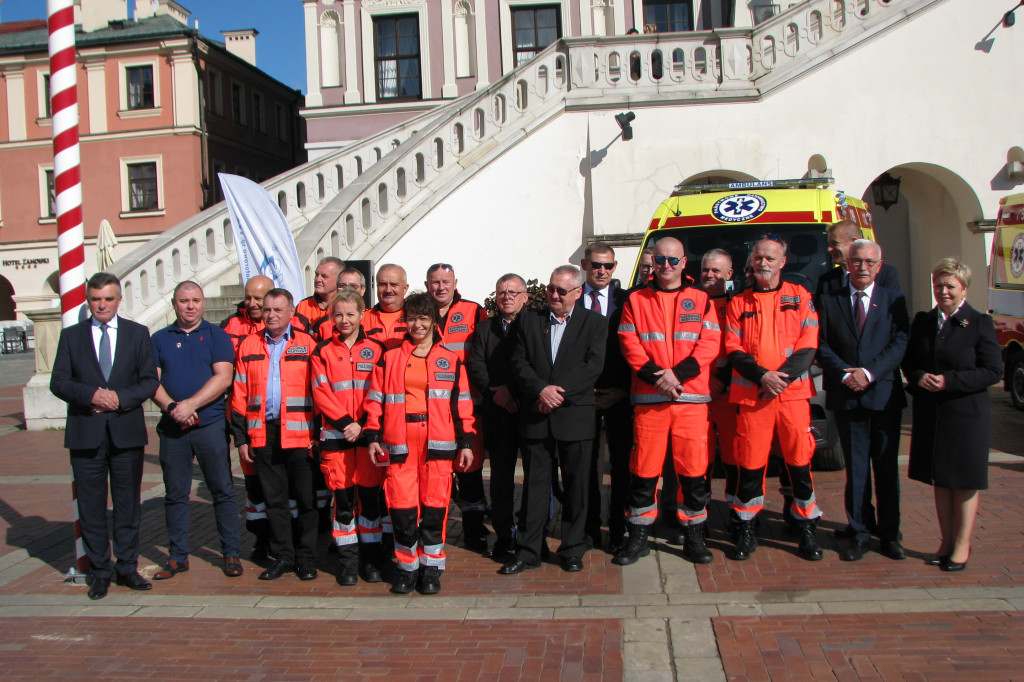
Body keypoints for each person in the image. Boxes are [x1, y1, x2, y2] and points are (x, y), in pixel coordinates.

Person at [50, 272, 159, 600]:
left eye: (108, 299)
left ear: (118, 300)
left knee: (127, 505)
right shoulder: (71, 337)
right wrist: (92, 395)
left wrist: (119, 399)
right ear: (88, 300)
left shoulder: (137, 334)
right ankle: (100, 570)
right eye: (96, 299)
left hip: (126, 432)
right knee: (92, 506)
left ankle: (127, 567)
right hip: (86, 433)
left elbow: (148, 381)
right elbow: (59, 381)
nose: (102, 304)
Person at [615, 238, 719, 565]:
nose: (666, 265)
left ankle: (694, 538)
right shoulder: (636, 299)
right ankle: (639, 537)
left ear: (684, 262)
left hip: (690, 399)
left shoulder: (701, 299)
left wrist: (677, 375)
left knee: (693, 474)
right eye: (660, 259)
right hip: (650, 399)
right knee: (643, 472)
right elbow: (629, 342)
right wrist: (659, 377)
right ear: (653, 261)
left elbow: (709, 343)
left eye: (673, 260)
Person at [363, 293, 476, 595]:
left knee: (435, 509)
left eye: (424, 317)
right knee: (401, 510)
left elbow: (461, 403)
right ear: (405, 320)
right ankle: (406, 568)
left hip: (438, 445)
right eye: (412, 317)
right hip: (399, 444)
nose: (418, 324)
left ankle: (431, 570)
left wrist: (466, 442)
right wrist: (373, 435)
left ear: (433, 320)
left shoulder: (450, 359)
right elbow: (375, 400)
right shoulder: (389, 357)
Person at [499, 265, 606, 575]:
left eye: (561, 290)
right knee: (534, 487)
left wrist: (558, 393)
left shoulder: (594, 323)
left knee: (577, 486)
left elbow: (593, 365)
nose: (554, 295)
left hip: (575, 414)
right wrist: (540, 391)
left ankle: (572, 548)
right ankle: (529, 550)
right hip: (537, 414)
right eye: (550, 289)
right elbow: (519, 362)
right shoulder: (529, 321)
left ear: (577, 292)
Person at [724, 235, 823, 562]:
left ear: (782, 262)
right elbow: (733, 349)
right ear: (752, 261)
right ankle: (747, 527)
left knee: (798, 462)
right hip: (754, 397)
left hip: (792, 396)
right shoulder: (740, 302)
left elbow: (808, 345)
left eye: (770, 258)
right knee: (750, 465)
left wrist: (778, 379)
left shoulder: (800, 296)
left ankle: (805, 525)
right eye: (759, 257)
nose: (763, 263)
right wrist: (762, 377)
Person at [902, 257, 1001, 572]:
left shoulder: (979, 323)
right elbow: (910, 361)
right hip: (933, 412)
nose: (942, 291)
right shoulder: (924, 321)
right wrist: (919, 377)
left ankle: (961, 545)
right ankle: (944, 541)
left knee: (964, 480)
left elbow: (992, 371)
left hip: (966, 414)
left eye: (949, 286)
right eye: (938, 285)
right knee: (941, 479)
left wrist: (951, 381)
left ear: (963, 289)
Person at [817, 240, 909, 561]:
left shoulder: (894, 300)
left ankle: (890, 533)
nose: (863, 267)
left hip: (883, 396)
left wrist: (869, 374)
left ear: (879, 266)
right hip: (847, 395)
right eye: (857, 261)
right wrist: (846, 374)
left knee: (886, 470)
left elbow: (899, 343)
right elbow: (822, 343)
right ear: (847, 264)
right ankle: (858, 532)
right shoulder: (830, 301)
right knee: (856, 471)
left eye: (870, 262)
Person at [151, 281, 242, 580]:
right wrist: (172, 408)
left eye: (195, 300)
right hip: (173, 427)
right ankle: (178, 557)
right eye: (183, 301)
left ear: (203, 303)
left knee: (222, 491)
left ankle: (230, 554)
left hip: (210, 425)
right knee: (175, 494)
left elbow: (224, 377)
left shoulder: (217, 335)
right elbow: (152, 381)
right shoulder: (160, 339)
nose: (190, 306)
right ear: (174, 304)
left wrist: (190, 405)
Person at [230, 288, 319, 581]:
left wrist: (317, 435)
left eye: (278, 310)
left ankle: (306, 558)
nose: (270, 315)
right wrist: (242, 439)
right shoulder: (248, 345)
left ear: (292, 312)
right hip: (263, 433)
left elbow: (319, 392)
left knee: (306, 500)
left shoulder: (308, 344)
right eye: (267, 310)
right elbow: (239, 394)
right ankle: (283, 556)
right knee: (275, 500)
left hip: (301, 433)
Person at [310, 289, 388, 585]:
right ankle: (346, 563)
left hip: (367, 438)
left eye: (350, 314)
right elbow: (321, 391)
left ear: (362, 314)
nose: (344, 320)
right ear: (331, 317)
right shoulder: (322, 351)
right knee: (342, 504)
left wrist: (364, 425)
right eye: (338, 314)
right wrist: (346, 423)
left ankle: (370, 561)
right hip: (336, 437)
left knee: (370, 503)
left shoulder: (377, 349)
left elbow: (379, 392)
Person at [425, 263, 490, 551]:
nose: (441, 287)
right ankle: (429, 531)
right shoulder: (419, 314)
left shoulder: (474, 311)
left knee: (470, 471)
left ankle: (474, 531)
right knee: (435, 472)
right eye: (435, 282)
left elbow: (485, 353)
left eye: (446, 281)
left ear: (455, 283)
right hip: (432, 410)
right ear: (427, 285)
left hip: (467, 409)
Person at [577, 242, 632, 553]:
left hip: (620, 394)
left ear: (614, 267)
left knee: (622, 466)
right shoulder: (571, 298)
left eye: (608, 266)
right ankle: (589, 529)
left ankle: (618, 529)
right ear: (585, 265)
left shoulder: (629, 301)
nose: (602, 271)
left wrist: (623, 389)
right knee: (585, 467)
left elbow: (636, 349)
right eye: (596, 265)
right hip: (583, 397)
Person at [469, 273, 529, 559]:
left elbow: (538, 363)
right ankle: (504, 536)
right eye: (502, 292)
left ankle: (531, 535)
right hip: (498, 413)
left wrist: (515, 394)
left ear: (525, 297)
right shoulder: (483, 329)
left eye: (513, 292)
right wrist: (498, 395)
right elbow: (477, 365)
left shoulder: (537, 324)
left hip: (530, 410)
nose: (507, 296)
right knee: (501, 480)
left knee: (536, 478)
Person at [221, 274, 273, 561]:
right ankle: (260, 541)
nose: (252, 303)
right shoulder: (230, 325)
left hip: (279, 422)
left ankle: (281, 540)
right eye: (248, 297)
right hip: (244, 418)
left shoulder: (286, 326)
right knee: (253, 486)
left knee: (279, 486)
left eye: (258, 298)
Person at [700, 249, 739, 520]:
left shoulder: (737, 304)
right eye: (706, 269)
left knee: (734, 457)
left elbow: (744, 348)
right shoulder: (690, 303)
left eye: (716, 270)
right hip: (698, 393)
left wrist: (723, 380)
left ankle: (739, 514)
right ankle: (697, 514)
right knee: (699, 459)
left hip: (728, 394)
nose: (710, 275)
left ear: (729, 274)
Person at [817, 220, 899, 295]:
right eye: (829, 244)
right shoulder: (826, 281)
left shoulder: (886, 275)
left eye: (835, 243)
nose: (829, 249)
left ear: (853, 242)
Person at [312, 267, 368, 340]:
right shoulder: (323, 326)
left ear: (362, 289)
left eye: (353, 286)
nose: (347, 289)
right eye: (343, 286)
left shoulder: (372, 320)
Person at [363, 263, 409, 349]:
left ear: (405, 288)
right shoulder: (363, 319)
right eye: (382, 284)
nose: (388, 290)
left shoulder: (416, 319)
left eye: (393, 284)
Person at [296, 256, 344, 328]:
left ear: (339, 279)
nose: (318, 279)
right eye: (316, 275)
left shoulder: (347, 305)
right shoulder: (303, 305)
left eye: (324, 276)